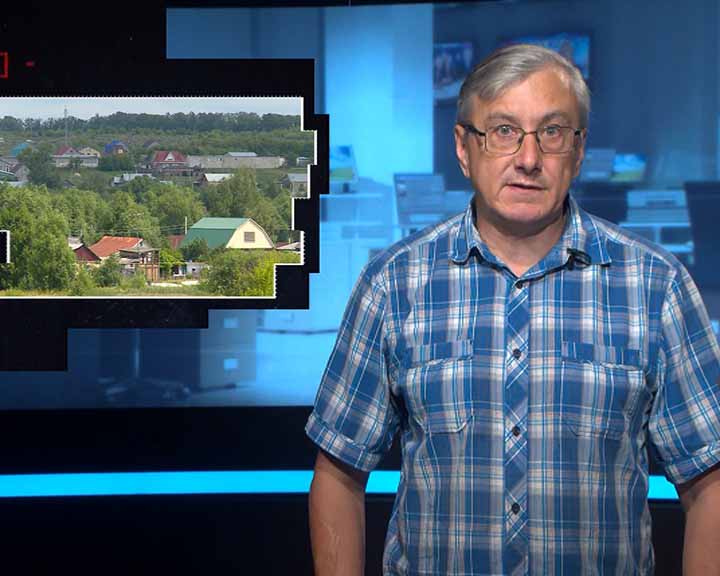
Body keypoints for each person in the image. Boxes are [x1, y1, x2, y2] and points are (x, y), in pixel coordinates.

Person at [306, 43, 720, 575]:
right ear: (464, 147)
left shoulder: (656, 286)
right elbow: (338, 474)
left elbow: (709, 483)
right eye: (503, 131)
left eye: (552, 132)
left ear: (578, 150)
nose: (528, 159)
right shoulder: (393, 284)